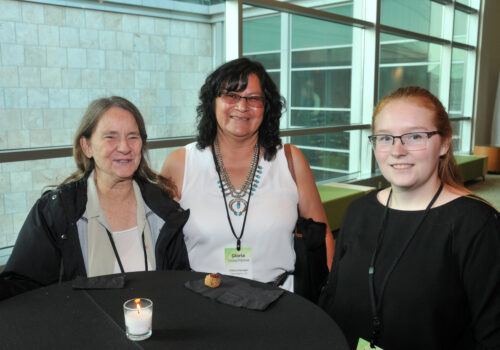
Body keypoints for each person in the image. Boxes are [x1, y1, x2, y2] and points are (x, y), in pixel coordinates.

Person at [319, 86, 500, 349]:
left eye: (415, 136)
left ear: (445, 143)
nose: (397, 150)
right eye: (385, 138)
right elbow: (333, 299)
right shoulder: (358, 212)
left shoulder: (476, 225)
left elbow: (492, 333)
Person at [161, 57, 334, 291]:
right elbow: (162, 243)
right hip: (203, 304)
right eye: (231, 95)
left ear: (267, 107)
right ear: (212, 102)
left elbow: (322, 236)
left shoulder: (291, 160)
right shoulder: (181, 164)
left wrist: (329, 294)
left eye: (253, 98)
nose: (242, 107)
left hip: (280, 303)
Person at [0, 96, 190, 301]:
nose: (125, 147)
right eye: (111, 137)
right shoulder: (58, 212)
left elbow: (178, 283)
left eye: (133, 137)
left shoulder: (163, 209)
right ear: (87, 146)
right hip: (82, 329)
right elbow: (22, 285)